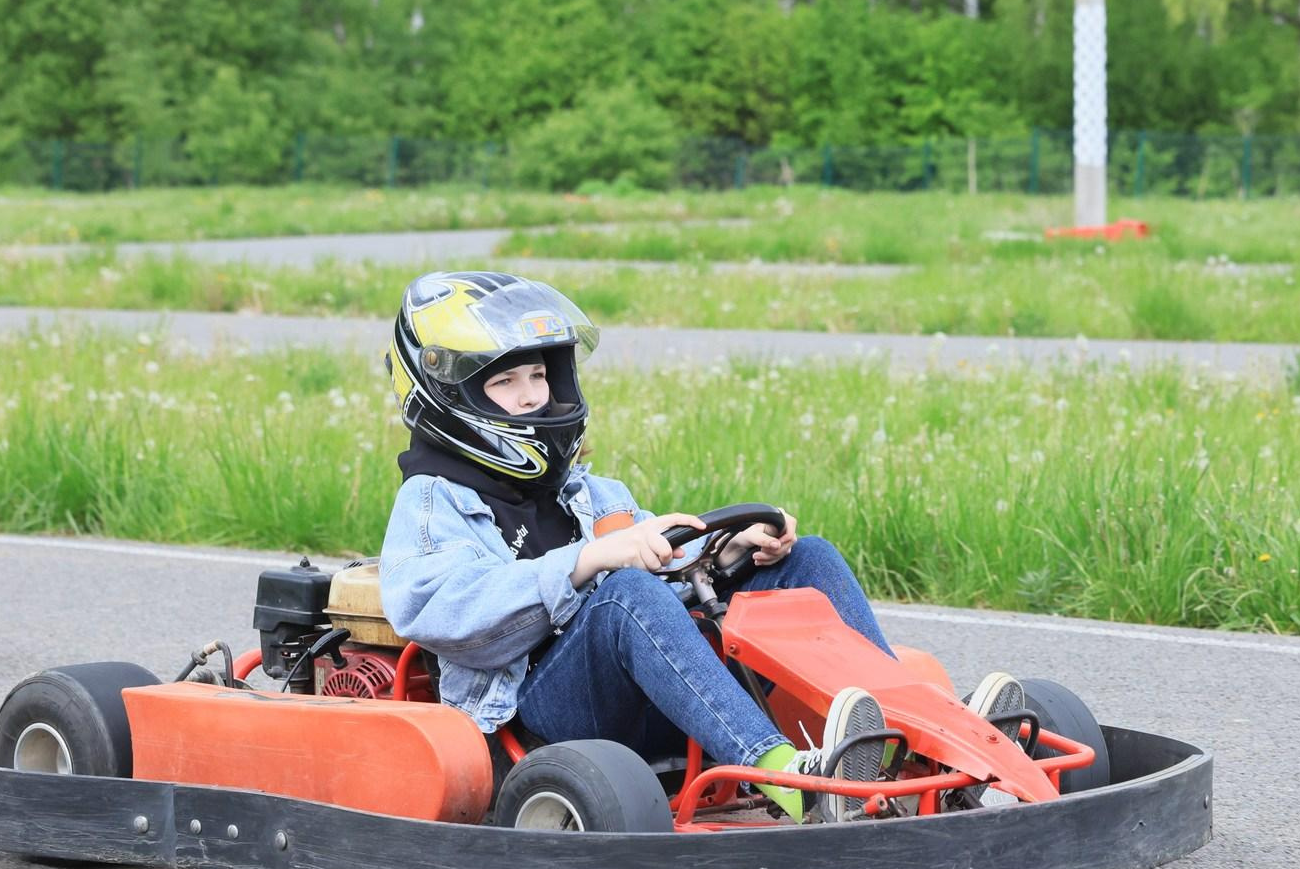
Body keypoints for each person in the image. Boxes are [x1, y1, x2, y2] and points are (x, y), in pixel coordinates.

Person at [377, 270, 1024, 822]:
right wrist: (589, 561)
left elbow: (662, 559)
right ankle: (787, 780)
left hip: (640, 693)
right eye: (504, 384)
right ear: (452, 397)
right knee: (627, 595)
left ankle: (932, 748)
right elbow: (437, 609)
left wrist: (731, 546)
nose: (530, 397)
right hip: (536, 718)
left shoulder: (591, 492)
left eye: (536, 377)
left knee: (807, 561)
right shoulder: (436, 501)